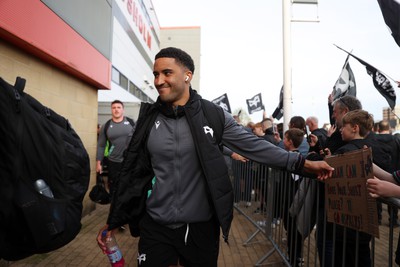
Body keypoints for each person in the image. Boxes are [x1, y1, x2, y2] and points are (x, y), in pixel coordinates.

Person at [96, 47, 333, 267]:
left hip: (200, 226)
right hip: (156, 224)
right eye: (156, 74)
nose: (159, 81)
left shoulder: (212, 115)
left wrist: (302, 164)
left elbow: (255, 146)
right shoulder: (148, 118)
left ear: (187, 75)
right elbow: (132, 173)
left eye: (167, 73)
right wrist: (115, 219)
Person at [325, 109, 374, 267]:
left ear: (355, 128)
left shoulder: (345, 151)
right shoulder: (371, 148)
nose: (340, 129)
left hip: (345, 224)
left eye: (344, 126)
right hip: (366, 220)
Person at [96, 100, 135, 196]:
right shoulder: (106, 126)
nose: (116, 110)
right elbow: (101, 145)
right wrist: (98, 163)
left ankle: (127, 209)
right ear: (111, 110)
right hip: (113, 162)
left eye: (118, 107)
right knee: (114, 188)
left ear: (123, 110)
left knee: (129, 187)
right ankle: (114, 208)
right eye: (114, 108)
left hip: (130, 161)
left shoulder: (131, 123)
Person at [282, 128, 306, 267]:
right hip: (290, 200)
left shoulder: (294, 159)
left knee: (293, 231)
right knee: (291, 230)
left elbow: (296, 180)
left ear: (290, 141)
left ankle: (295, 258)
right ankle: (294, 255)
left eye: (285, 138)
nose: (283, 141)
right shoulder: (292, 156)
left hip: (292, 201)